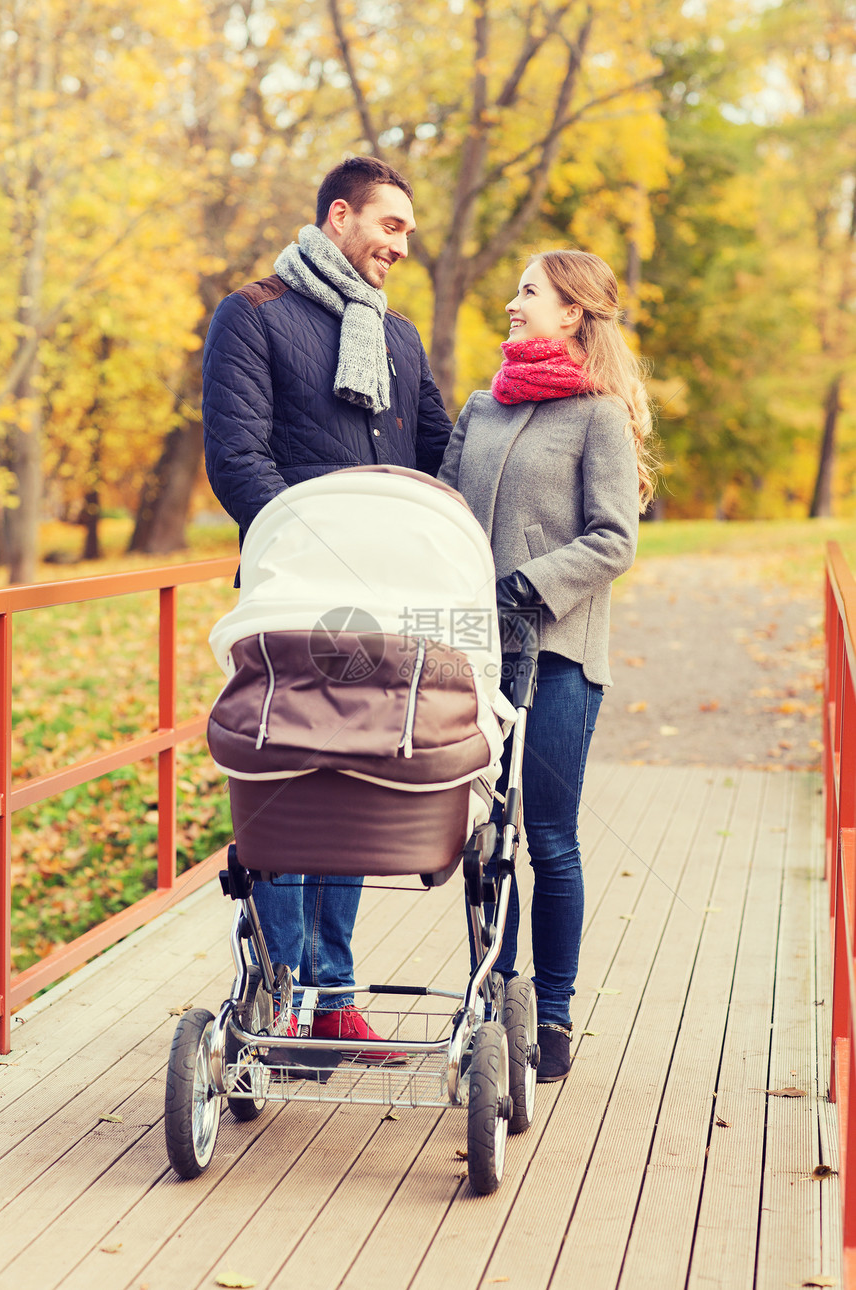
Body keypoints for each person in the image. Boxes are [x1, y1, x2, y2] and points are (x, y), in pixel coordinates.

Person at [202, 157, 452, 1058]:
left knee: (355, 780)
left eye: (409, 234)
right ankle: (283, 991)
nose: (399, 247)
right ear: (339, 217)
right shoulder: (254, 313)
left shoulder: (398, 336)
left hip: (385, 603)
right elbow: (237, 458)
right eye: (389, 227)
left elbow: (434, 458)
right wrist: (316, 553)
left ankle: (333, 991)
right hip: (294, 593)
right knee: (286, 780)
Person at [438, 248, 656, 1081]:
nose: (511, 302)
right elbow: (449, 514)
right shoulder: (481, 406)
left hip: (559, 653)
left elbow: (614, 538)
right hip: (476, 655)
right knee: (486, 840)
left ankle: (555, 1013)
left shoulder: (598, 415)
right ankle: (498, 1001)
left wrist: (527, 585)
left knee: (550, 838)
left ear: (571, 313)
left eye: (527, 291)